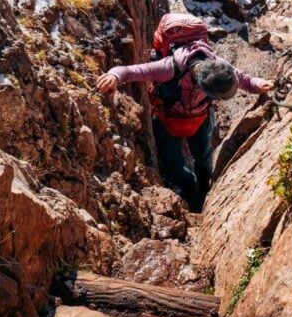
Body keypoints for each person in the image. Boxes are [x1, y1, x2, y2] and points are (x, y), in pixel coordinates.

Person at [96, 38, 273, 211]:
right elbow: (131, 71)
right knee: (173, 167)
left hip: (200, 118)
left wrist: (259, 84)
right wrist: (114, 76)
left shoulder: (218, 65)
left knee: (203, 160)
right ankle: (190, 189)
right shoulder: (170, 68)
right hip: (168, 121)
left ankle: (203, 192)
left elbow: (243, 79)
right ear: (204, 88)